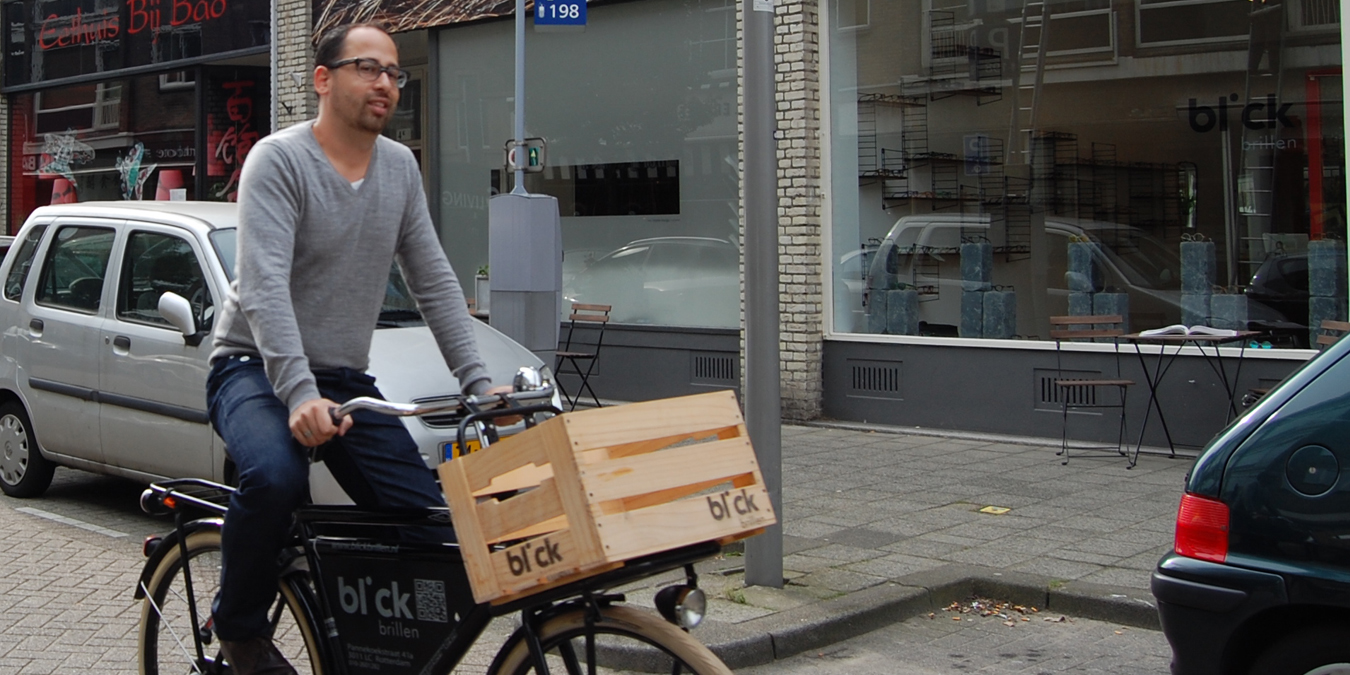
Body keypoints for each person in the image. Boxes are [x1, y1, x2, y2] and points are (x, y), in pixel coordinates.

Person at [206, 23, 507, 675]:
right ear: (323, 79)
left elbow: (434, 280)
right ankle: (239, 629)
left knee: (427, 521)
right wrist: (298, 394)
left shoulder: (399, 168)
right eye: (368, 67)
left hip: (343, 379)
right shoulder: (278, 160)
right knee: (276, 477)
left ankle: (372, 646)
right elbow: (263, 286)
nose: (385, 83)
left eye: (394, 72)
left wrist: (480, 385)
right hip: (253, 368)